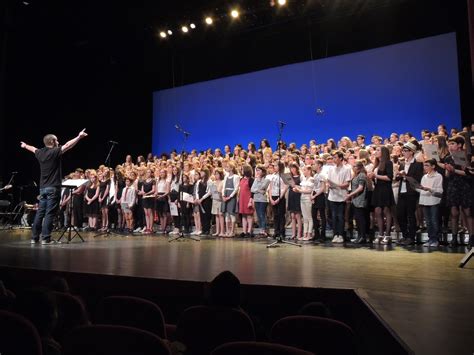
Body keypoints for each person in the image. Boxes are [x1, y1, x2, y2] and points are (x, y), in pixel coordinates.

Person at [20, 129, 88, 244]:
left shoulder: (40, 152)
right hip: (53, 187)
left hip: (43, 188)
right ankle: (46, 238)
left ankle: (34, 238)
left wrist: (25, 145)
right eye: (56, 140)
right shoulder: (55, 151)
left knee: (40, 212)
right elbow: (67, 145)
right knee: (49, 213)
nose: (58, 141)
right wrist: (79, 137)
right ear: (52, 141)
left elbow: (32, 148)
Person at [418, 159, 443, 247]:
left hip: (434, 201)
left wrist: (429, 189)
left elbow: (440, 190)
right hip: (425, 201)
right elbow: (421, 189)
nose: (425, 167)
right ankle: (430, 239)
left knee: (434, 220)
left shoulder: (438, 176)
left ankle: (435, 240)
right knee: (428, 222)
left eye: (427, 165)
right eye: (424, 165)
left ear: (433, 166)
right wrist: (417, 188)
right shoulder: (424, 177)